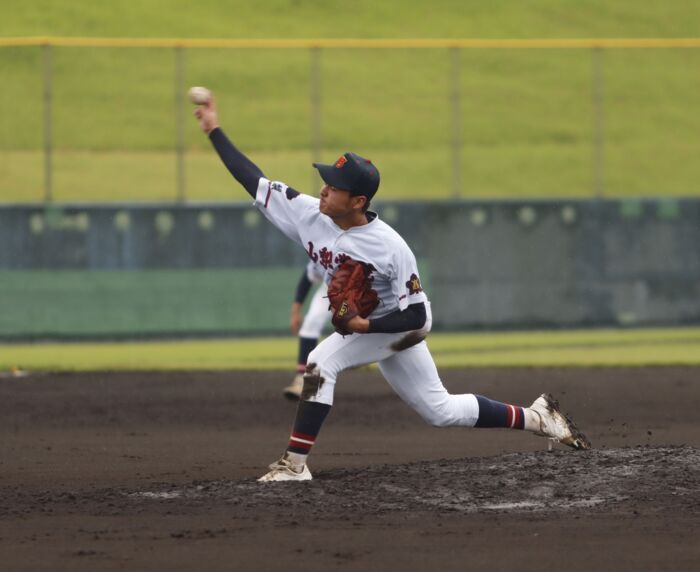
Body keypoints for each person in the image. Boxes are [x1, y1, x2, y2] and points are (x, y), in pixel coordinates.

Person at [193, 91, 591, 483]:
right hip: (374, 322)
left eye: (333, 186)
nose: (323, 189)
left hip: (402, 323)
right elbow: (254, 180)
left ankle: (294, 465)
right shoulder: (307, 214)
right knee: (440, 410)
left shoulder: (389, 247)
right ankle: (538, 418)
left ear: (358, 200)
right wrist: (214, 130)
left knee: (320, 362)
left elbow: (418, 316)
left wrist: (366, 327)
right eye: (325, 180)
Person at [283, 260, 331, 400]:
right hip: (333, 287)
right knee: (310, 324)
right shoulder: (322, 247)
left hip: (363, 289)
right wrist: (295, 312)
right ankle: (304, 380)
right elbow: (308, 276)